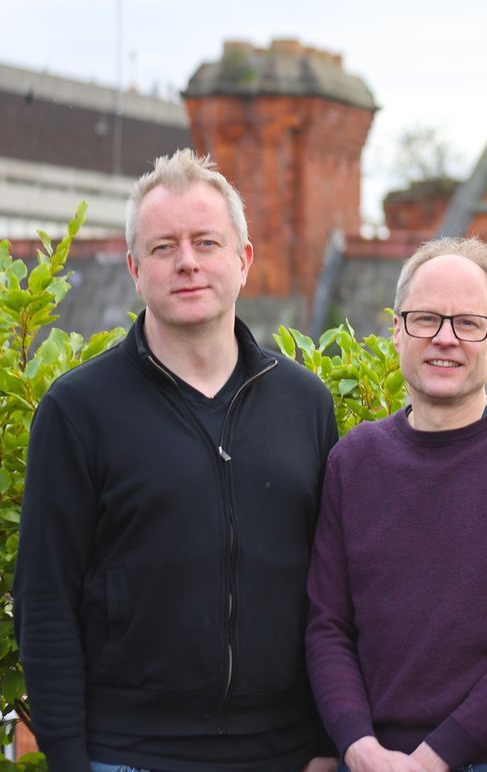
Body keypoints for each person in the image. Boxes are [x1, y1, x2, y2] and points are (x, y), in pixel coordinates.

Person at [14, 149, 339, 772]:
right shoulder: (77, 410)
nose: (187, 261)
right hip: (130, 754)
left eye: (206, 241)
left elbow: (332, 592)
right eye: (164, 247)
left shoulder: (306, 404)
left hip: (286, 754)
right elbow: (45, 600)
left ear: (243, 260)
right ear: (136, 269)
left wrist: (327, 746)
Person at [305, 237, 487, 772]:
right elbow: (328, 624)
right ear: (396, 329)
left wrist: (439, 755)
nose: (445, 338)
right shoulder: (354, 460)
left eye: (467, 323)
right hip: (370, 762)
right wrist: (356, 744)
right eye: (425, 319)